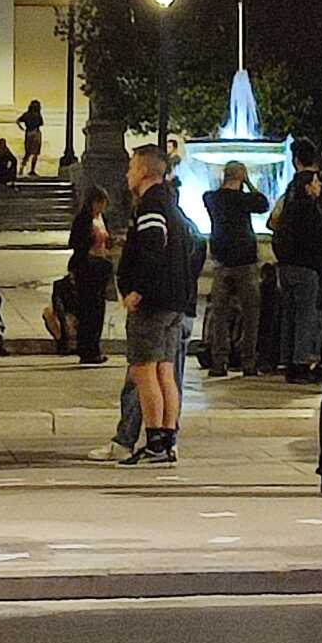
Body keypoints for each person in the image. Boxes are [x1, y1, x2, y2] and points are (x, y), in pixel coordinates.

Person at [113, 145, 193, 465]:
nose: (127, 174)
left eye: (132, 167)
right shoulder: (172, 205)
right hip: (175, 302)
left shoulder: (150, 206)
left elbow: (152, 246)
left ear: (145, 171)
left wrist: (138, 289)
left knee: (143, 370)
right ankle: (167, 441)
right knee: (165, 371)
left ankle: (155, 441)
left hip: (154, 303)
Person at [201, 162, 268, 378]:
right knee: (250, 314)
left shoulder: (211, 198)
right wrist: (248, 183)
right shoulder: (244, 200)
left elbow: (213, 194)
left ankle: (219, 362)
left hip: (222, 262)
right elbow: (263, 203)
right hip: (245, 262)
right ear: (241, 177)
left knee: (220, 314)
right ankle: (248, 361)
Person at [270, 160, 322, 384]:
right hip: (307, 268)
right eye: (316, 183)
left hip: (287, 268)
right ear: (308, 187)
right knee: (306, 316)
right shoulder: (311, 211)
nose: (319, 187)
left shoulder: (289, 208)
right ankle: (301, 362)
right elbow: (319, 240)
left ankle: (288, 361)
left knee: (290, 315)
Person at [62, 184, 112, 365]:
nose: (102, 207)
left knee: (99, 309)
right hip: (86, 266)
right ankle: (86, 349)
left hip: (101, 265)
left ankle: (95, 347)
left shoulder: (102, 218)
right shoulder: (83, 219)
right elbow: (75, 242)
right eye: (100, 203)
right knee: (87, 309)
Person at [16, 100, 45, 177]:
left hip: (29, 133)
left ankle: (23, 168)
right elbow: (41, 123)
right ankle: (31, 169)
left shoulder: (27, 115)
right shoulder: (37, 115)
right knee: (35, 153)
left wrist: (21, 127)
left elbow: (18, 120)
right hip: (35, 133)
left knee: (28, 153)